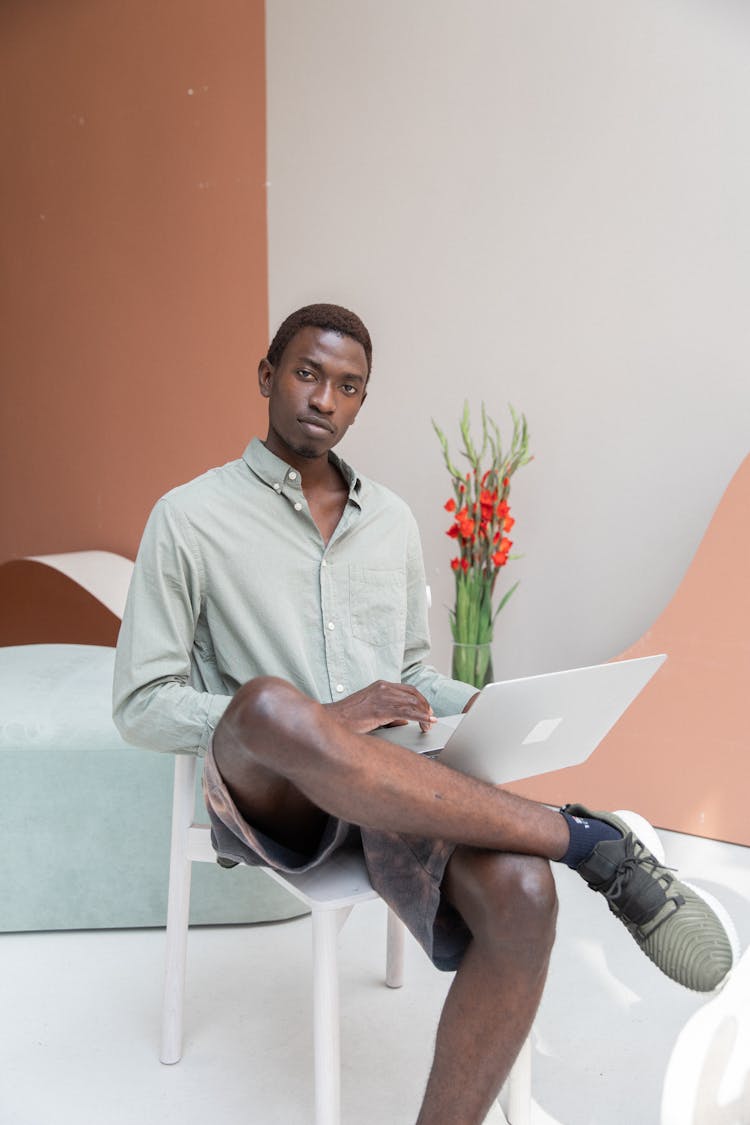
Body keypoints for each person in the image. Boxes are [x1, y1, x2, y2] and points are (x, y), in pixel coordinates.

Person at [113, 303, 734, 1125]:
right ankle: (587, 836)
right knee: (271, 704)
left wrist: (474, 703)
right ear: (267, 378)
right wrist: (325, 717)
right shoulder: (188, 518)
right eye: (306, 374)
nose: (323, 399)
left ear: (362, 402)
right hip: (276, 790)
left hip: (391, 789)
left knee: (523, 892)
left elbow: (408, 675)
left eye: (348, 386)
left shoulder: (393, 523)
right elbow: (140, 704)